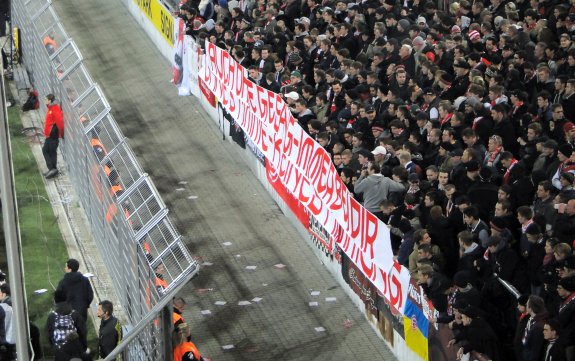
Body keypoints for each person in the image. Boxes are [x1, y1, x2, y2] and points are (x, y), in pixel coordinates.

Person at [46, 289, 88, 361]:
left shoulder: (51, 316)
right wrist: (82, 348)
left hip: (59, 353)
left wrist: (55, 348)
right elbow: (83, 332)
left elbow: (49, 335)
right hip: (75, 352)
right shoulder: (75, 314)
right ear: (66, 299)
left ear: (55, 301)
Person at [42, 93, 64, 179]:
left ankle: (53, 169)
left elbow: (60, 123)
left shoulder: (54, 109)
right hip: (50, 136)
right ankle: (52, 169)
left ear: (50, 100)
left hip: (52, 136)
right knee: (48, 151)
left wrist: (61, 134)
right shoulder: (51, 108)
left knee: (48, 151)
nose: (45, 101)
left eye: (46, 99)